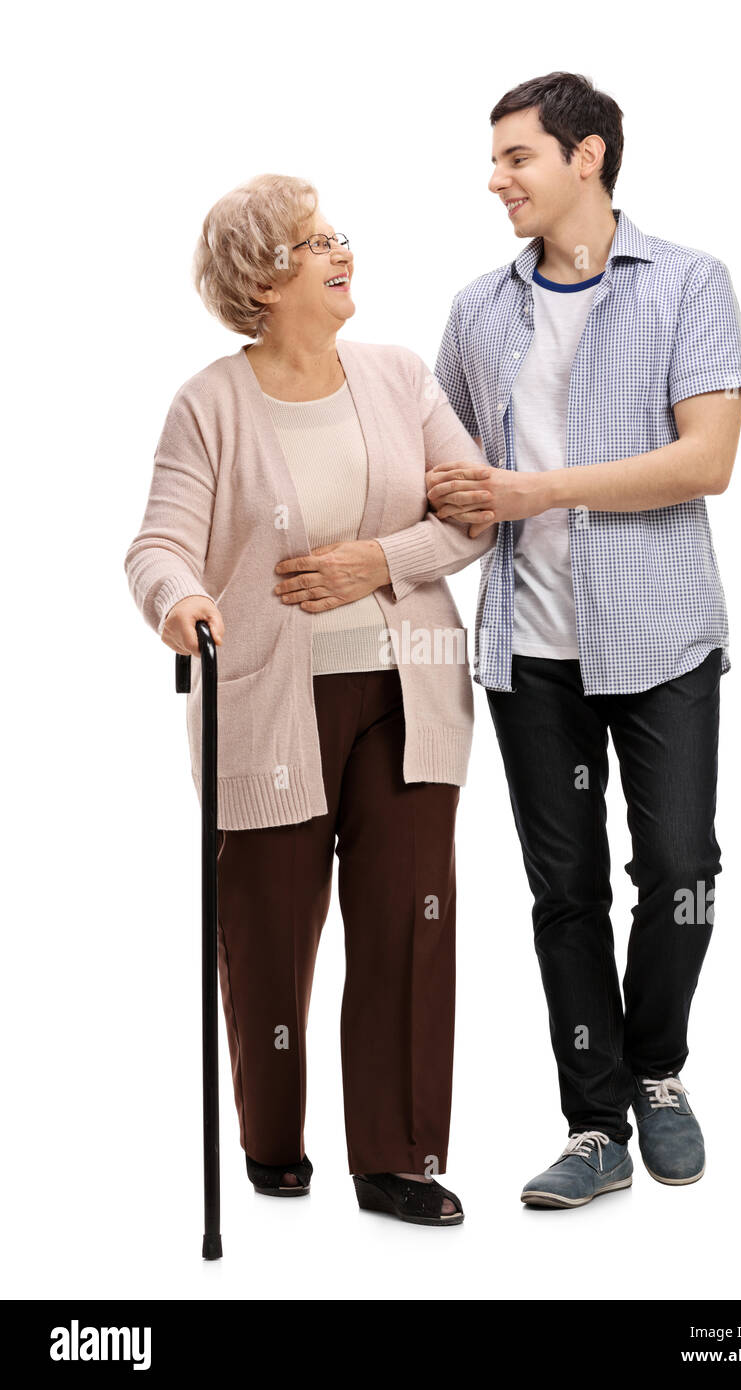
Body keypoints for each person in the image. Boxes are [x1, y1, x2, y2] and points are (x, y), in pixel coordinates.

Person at [124, 174, 495, 1226]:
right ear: (264, 277)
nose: (343, 251)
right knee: (268, 929)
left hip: (407, 692)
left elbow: (471, 515)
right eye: (316, 239)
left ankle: (397, 1157)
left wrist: (374, 560)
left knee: (407, 924)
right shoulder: (208, 403)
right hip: (268, 703)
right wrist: (181, 594)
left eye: (339, 234)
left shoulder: (398, 376)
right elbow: (157, 542)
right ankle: (272, 1138)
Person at [427, 73, 741, 1208]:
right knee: (562, 893)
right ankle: (595, 1120)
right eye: (494, 157)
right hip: (531, 651)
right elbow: (460, 495)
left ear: (587, 157)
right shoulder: (476, 311)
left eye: (515, 156)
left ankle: (657, 1069)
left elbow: (703, 458)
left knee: (676, 873)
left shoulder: (687, 284)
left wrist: (539, 490)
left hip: (662, 636)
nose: (495, 178)